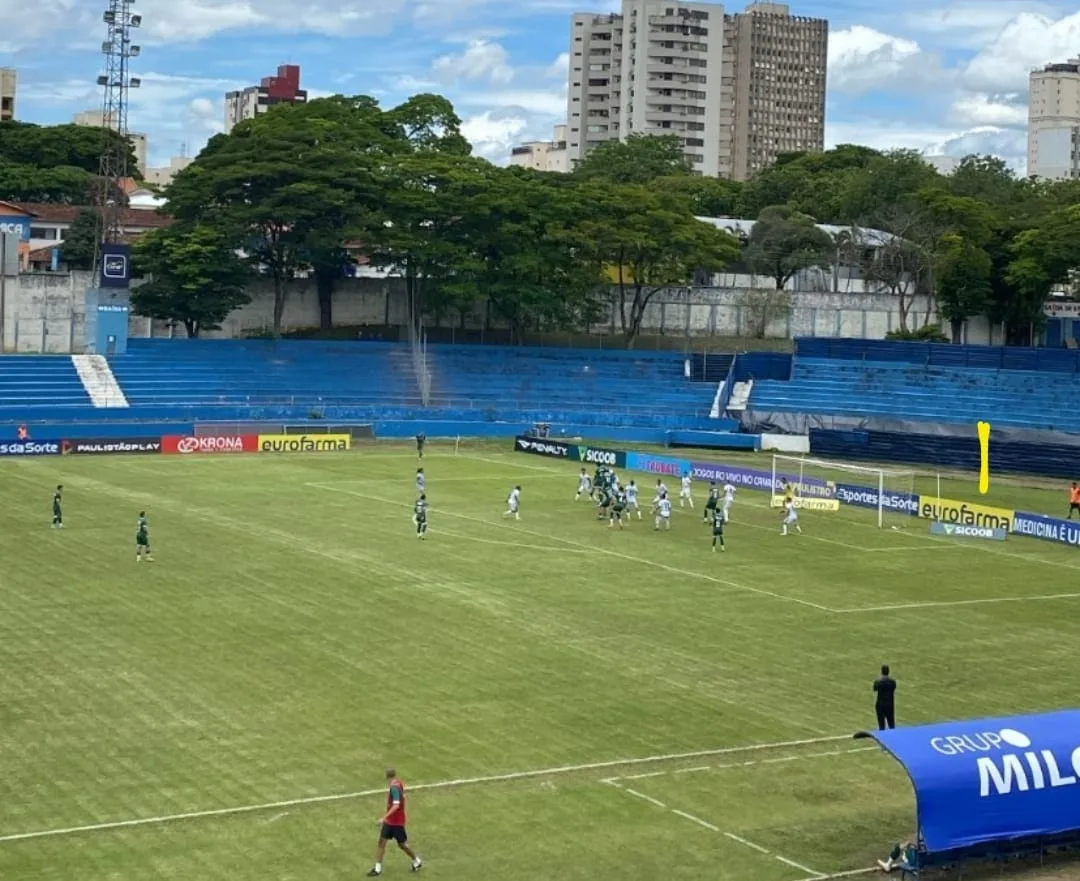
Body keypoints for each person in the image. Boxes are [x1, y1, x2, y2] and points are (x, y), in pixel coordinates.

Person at [367, 768, 423, 876]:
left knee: (402, 845)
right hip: (390, 822)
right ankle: (377, 868)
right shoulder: (398, 783)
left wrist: (384, 817)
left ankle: (417, 860)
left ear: (387, 777)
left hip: (396, 822)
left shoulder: (394, 788)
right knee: (381, 842)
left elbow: (396, 805)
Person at [874, 664, 897, 730]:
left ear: (881, 672)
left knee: (881, 726)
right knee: (891, 725)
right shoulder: (892, 682)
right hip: (890, 705)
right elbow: (894, 688)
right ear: (888, 672)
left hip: (880, 705)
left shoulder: (878, 682)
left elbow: (875, 689)